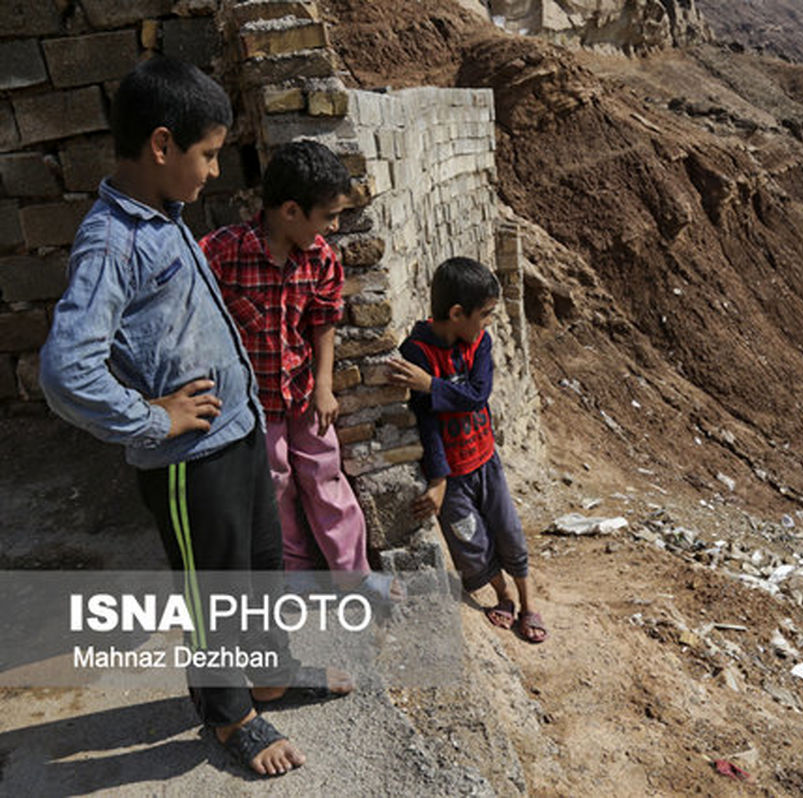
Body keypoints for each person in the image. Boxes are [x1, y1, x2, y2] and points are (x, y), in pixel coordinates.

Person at [39, 56, 352, 778]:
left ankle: (268, 674)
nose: (215, 171)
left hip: (238, 432)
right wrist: (151, 417)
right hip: (187, 459)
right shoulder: (111, 241)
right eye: (207, 154)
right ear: (161, 146)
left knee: (261, 568)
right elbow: (65, 369)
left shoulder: (167, 218)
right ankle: (230, 715)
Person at [200, 140, 402, 603]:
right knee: (274, 489)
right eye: (328, 217)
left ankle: (354, 574)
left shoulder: (321, 259)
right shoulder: (222, 252)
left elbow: (324, 320)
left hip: (304, 393)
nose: (334, 228)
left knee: (326, 476)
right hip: (252, 405)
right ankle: (295, 577)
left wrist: (325, 386)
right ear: (291, 210)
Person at [388, 257, 547, 644]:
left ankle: (529, 604)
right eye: (486, 314)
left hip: (485, 460)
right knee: (471, 543)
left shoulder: (478, 342)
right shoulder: (417, 354)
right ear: (457, 313)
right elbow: (424, 420)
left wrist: (433, 385)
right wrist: (439, 478)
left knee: (508, 531)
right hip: (454, 475)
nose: (489, 322)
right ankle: (503, 595)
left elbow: (478, 396)